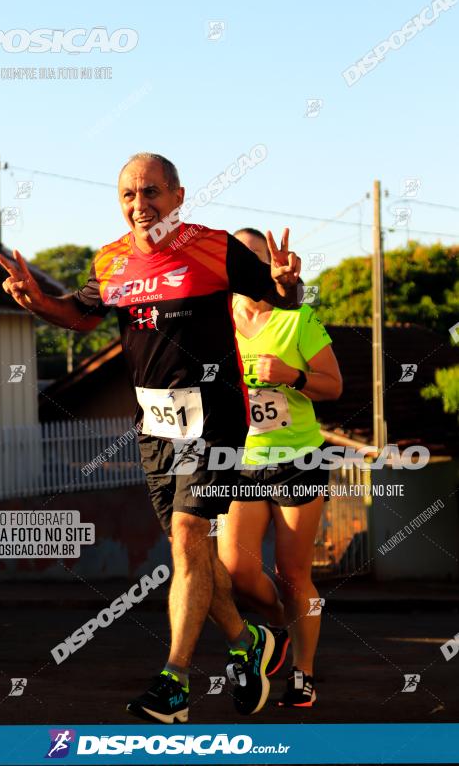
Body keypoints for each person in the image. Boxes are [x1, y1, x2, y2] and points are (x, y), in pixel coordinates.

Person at [0, 154, 302, 723]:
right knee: (194, 554)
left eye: (152, 192)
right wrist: (37, 301)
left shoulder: (214, 247)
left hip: (215, 414)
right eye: (129, 195)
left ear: (179, 195)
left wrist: (288, 283)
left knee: (188, 538)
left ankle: (175, 685)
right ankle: (250, 642)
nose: (141, 205)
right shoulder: (110, 260)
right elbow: (82, 317)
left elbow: (280, 296)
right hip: (155, 426)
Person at [218, 227, 343, 707]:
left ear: (269, 264)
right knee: (236, 569)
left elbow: (333, 387)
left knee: (293, 573)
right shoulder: (218, 322)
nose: (244, 266)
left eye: (254, 258)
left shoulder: (298, 319)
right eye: (236, 258)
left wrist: (291, 376)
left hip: (298, 461)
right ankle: (277, 631)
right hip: (242, 463)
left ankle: (304, 673)